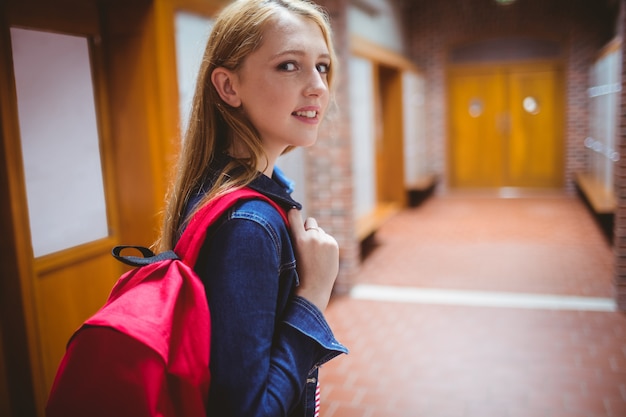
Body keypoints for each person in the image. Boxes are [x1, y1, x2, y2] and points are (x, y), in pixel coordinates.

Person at [156, 0, 348, 415]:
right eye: (288, 65)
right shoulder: (248, 225)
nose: (317, 85)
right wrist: (313, 295)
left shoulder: (231, 189)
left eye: (322, 66)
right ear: (228, 87)